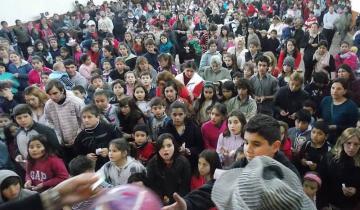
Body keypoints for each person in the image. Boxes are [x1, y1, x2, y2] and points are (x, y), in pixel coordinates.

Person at [162, 114, 301, 210]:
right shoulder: (245, 162)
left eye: (256, 144)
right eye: (246, 142)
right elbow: (217, 185)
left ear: (276, 146)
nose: (248, 150)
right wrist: (187, 203)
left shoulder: (288, 178)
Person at [0, 172, 100, 210]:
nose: (13, 191)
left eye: (15, 185)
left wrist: (56, 195)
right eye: (6, 188)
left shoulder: (31, 196)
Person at [318, 128, 360, 209]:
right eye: (348, 143)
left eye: (356, 144)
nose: (352, 147)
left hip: (352, 205)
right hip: (330, 204)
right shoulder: (329, 158)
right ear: (342, 142)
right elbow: (321, 183)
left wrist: (356, 191)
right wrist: (323, 205)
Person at [44, 79, 84, 163]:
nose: (52, 97)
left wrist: (77, 136)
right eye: (49, 94)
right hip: (61, 144)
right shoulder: (48, 105)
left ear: (62, 90)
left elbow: (83, 121)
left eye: (55, 93)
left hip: (79, 141)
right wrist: (57, 138)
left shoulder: (76, 102)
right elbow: (49, 121)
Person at [146, 133, 191, 205]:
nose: (166, 149)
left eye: (169, 145)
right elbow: (152, 186)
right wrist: (161, 198)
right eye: (162, 146)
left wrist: (173, 201)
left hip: (179, 201)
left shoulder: (184, 163)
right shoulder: (152, 163)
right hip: (159, 201)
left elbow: (185, 187)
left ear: (174, 146)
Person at [74, 104, 122, 170]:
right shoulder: (81, 136)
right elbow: (77, 154)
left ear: (97, 118)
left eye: (89, 117)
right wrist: (86, 157)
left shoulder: (110, 129)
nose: (86, 120)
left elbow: (123, 145)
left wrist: (110, 150)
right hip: (95, 169)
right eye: (84, 117)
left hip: (115, 165)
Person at [160, 101, 203, 170]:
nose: (177, 117)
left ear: (185, 114)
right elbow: (162, 147)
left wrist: (188, 150)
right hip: (172, 164)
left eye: (180, 114)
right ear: (170, 115)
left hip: (192, 163)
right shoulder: (166, 129)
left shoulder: (193, 127)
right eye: (174, 114)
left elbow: (200, 147)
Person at [319, 78, 358, 145]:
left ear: (345, 91)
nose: (334, 91)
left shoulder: (351, 106)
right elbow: (319, 115)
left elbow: (353, 128)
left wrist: (337, 127)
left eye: (338, 89)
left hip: (341, 140)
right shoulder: (326, 100)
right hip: (323, 137)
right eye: (333, 88)